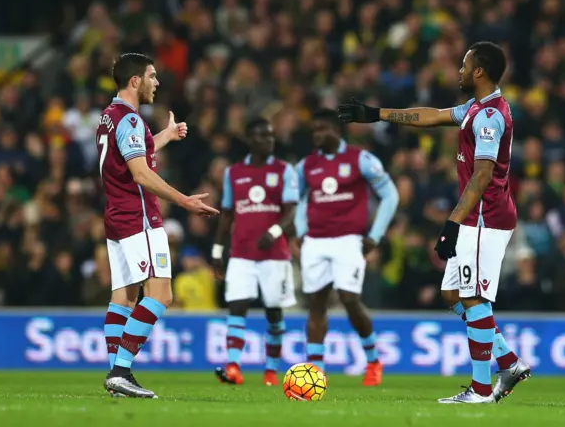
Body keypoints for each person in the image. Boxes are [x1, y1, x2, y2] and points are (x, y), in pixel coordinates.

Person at [338, 41, 530, 403]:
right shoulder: (476, 107)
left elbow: (482, 176)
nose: (458, 71)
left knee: (474, 297)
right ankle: (508, 362)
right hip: (476, 216)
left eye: (463, 65)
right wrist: (377, 113)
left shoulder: (489, 116)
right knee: (452, 293)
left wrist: (453, 222)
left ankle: (480, 389)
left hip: (484, 218)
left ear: (479, 72)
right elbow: (431, 116)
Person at [98, 53, 219, 398]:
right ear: (135, 81)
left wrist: (163, 136)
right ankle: (121, 371)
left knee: (123, 296)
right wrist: (184, 201)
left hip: (117, 216)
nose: (157, 82)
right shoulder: (131, 121)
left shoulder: (110, 116)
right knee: (161, 293)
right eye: (152, 76)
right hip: (139, 217)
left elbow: (129, 158)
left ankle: (116, 375)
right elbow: (139, 173)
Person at [295, 108, 399, 386]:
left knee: (349, 299)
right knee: (316, 302)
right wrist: (301, 231)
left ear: (336, 130)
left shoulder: (360, 159)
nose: (316, 135)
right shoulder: (306, 165)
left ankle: (373, 359)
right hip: (315, 240)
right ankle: (315, 372)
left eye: (322, 129)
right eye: (314, 130)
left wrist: (374, 236)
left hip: (348, 240)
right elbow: (298, 199)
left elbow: (390, 195)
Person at [211, 118, 299, 386]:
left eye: (271, 136)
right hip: (241, 253)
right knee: (237, 307)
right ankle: (234, 366)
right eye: (262, 136)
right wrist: (217, 250)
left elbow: (291, 212)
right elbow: (227, 214)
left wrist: (273, 232)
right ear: (250, 140)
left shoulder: (285, 171)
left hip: (275, 256)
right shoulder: (234, 173)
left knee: (273, 311)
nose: (268, 141)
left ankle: (271, 370)